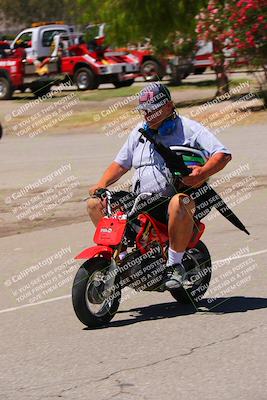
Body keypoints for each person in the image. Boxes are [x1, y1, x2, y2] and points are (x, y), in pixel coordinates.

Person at [88, 83, 232, 289]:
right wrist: (101, 184)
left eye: (153, 109)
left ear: (169, 106)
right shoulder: (138, 133)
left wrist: (202, 172)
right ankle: (122, 259)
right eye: (144, 110)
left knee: (177, 202)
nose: (147, 114)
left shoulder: (189, 128)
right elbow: (120, 164)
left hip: (177, 200)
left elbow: (223, 154)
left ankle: (174, 265)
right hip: (142, 201)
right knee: (95, 203)